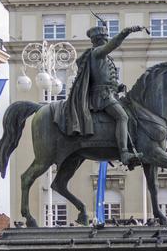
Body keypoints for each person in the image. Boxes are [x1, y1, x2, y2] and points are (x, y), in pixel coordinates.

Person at [61, 22, 146, 164]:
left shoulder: (104, 58)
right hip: (102, 96)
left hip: (110, 93)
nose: (106, 40)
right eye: (105, 38)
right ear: (99, 40)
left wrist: (117, 86)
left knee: (131, 113)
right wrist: (126, 32)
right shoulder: (97, 53)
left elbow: (104, 77)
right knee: (122, 117)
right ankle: (124, 153)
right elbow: (114, 45)